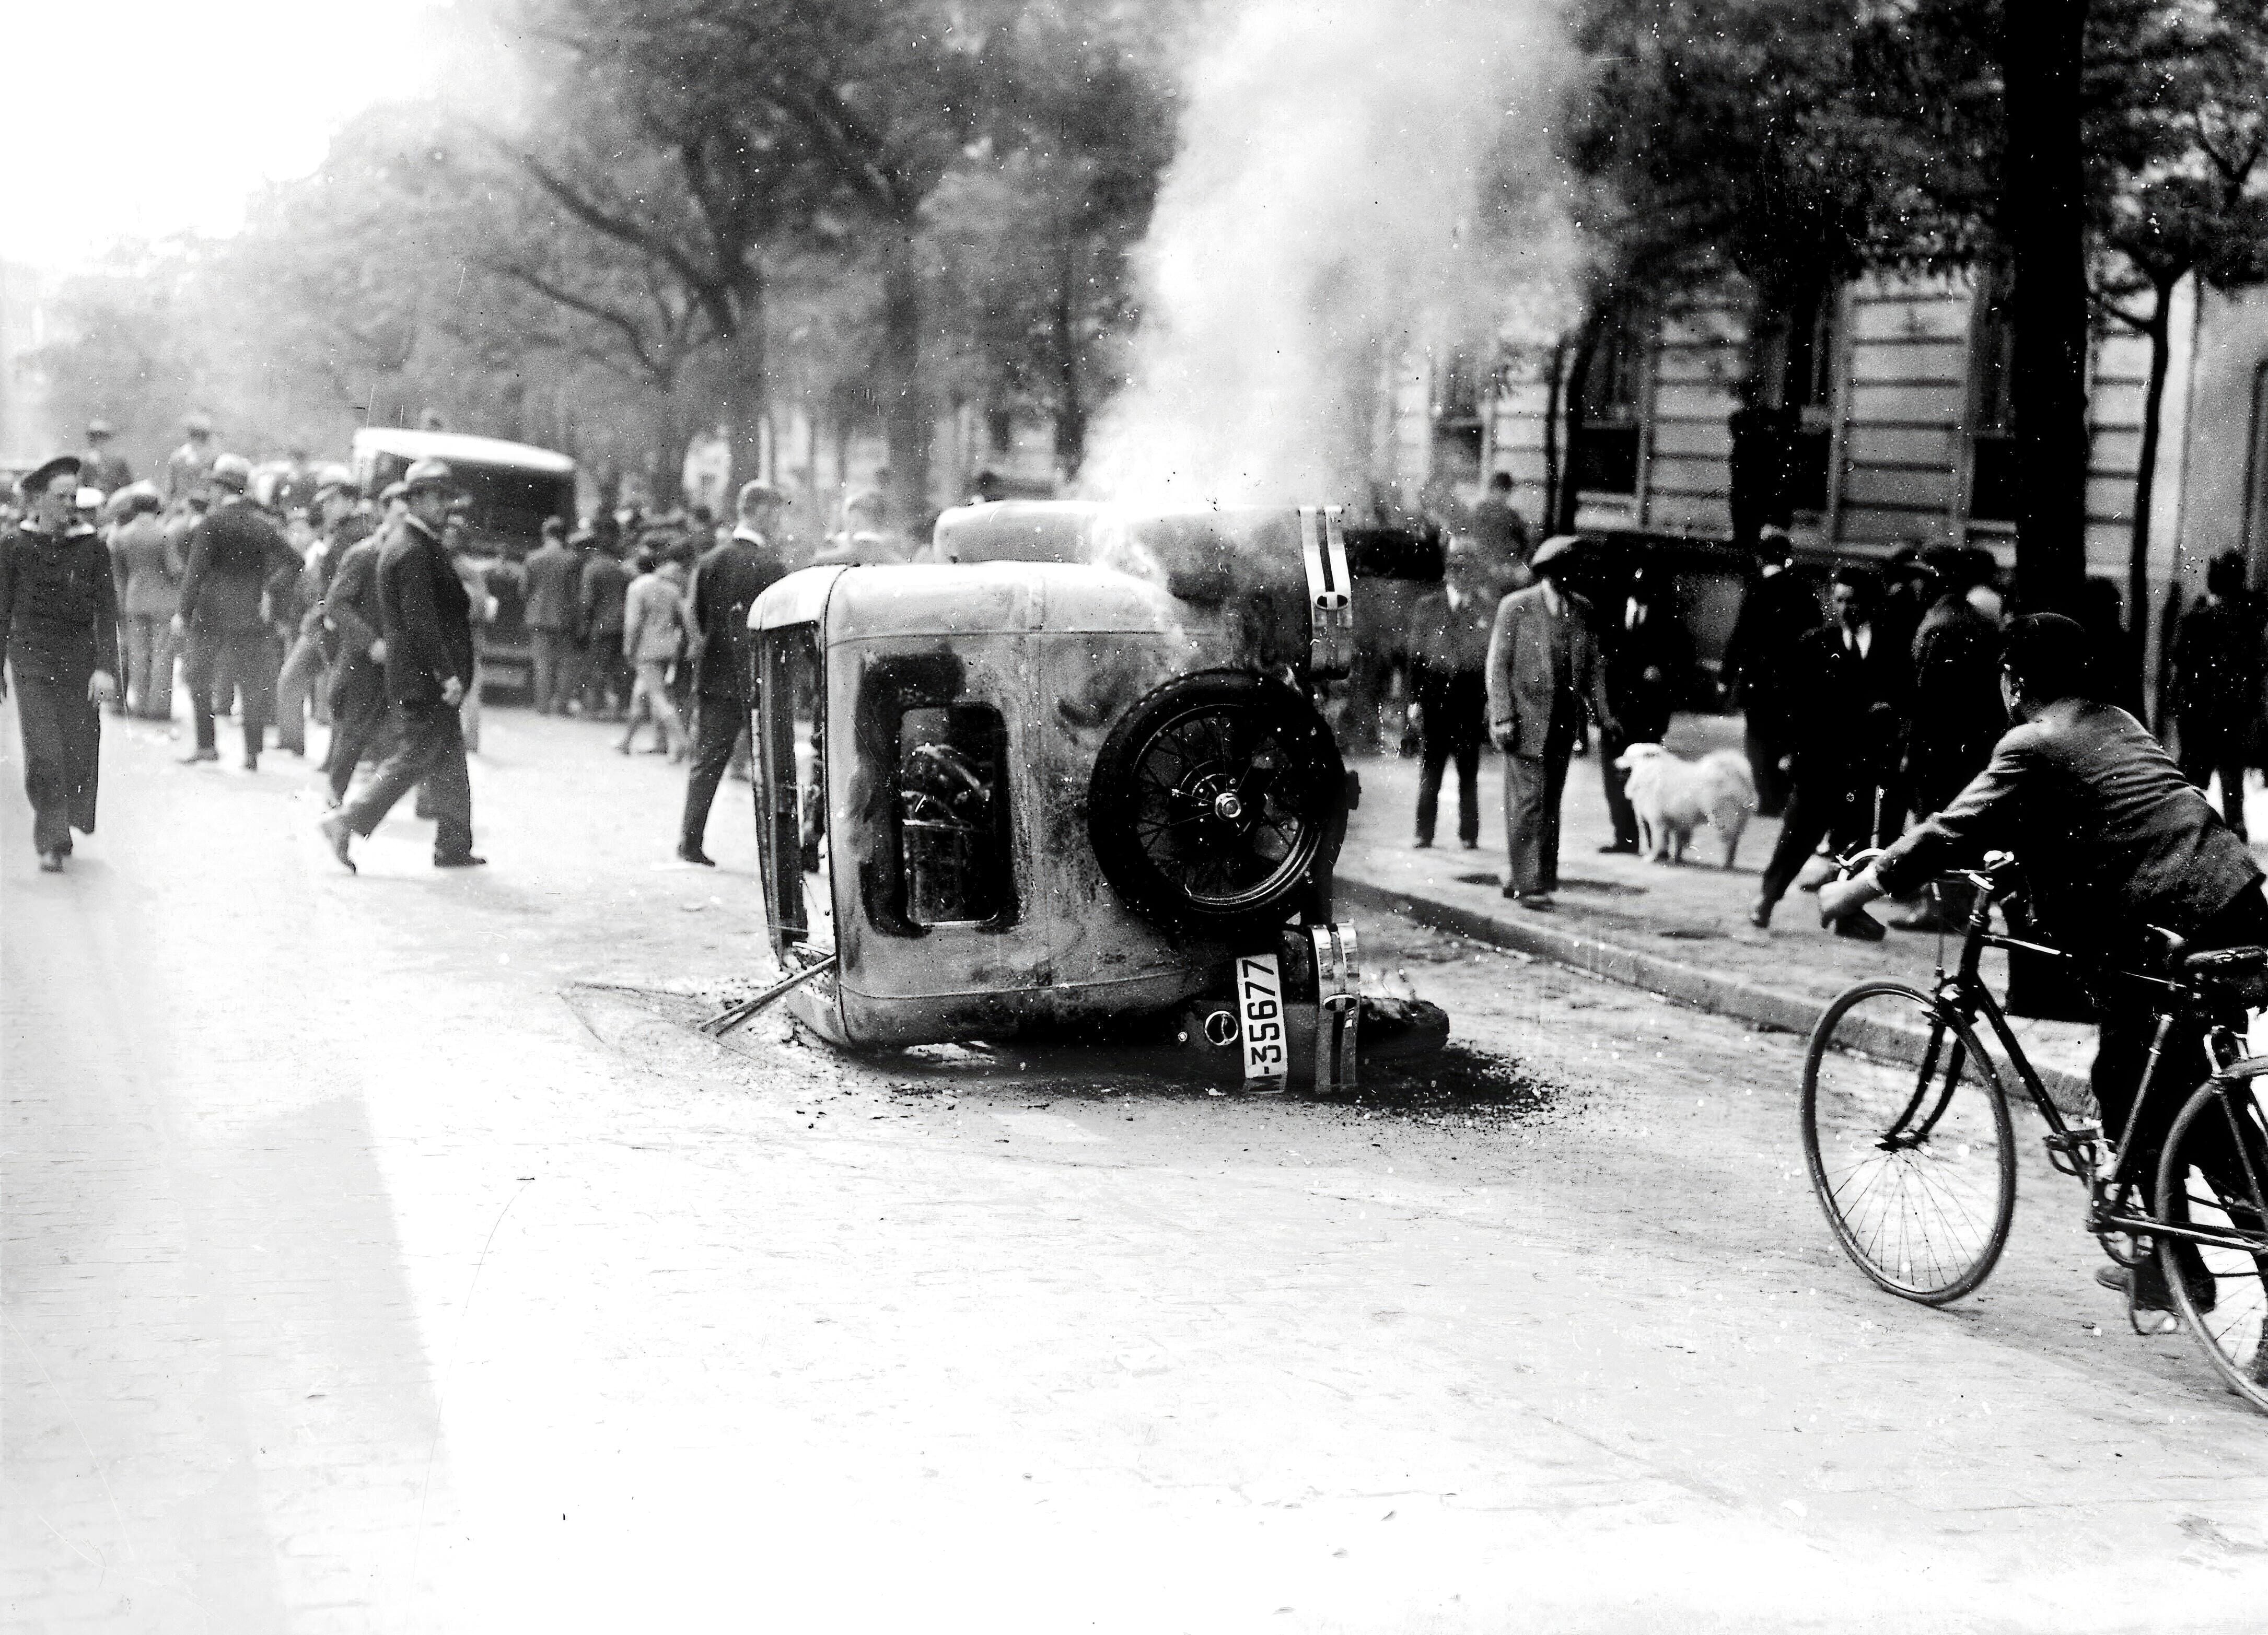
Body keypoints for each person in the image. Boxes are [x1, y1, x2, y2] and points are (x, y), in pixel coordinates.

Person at [1819, 614, 2266, 1312]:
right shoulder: (2112, 720)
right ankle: (2165, 1263)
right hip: (2232, 895)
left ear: (2013, 682)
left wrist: (1854, 886)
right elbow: (2120, 812)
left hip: (2174, 917)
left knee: (2146, 1089)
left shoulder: (2031, 742)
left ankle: (2177, 1267)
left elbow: (1950, 829)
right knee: (2162, 1083)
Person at [318, 460, 482, 871]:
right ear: (417, 500)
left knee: (448, 759)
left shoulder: (417, 543)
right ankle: (347, 821)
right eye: (439, 498)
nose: (447, 506)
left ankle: (453, 846)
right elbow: (421, 622)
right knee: (416, 756)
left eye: (448, 498)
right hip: (423, 679)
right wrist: (446, 675)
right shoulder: (412, 549)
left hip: (419, 676)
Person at [1750, 565, 1908, 933]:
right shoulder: (1815, 643)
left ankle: (1846, 914)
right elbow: (1793, 702)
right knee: (1797, 834)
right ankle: (1767, 898)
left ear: (1871, 603)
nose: (1844, 608)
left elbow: (1903, 696)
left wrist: (1889, 717)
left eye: (1852, 600)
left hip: (1865, 761)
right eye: (1838, 600)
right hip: (1819, 759)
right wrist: (1790, 749)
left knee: (1852, 842)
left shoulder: (1891, 644)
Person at [0, 457, 120, 871]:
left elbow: (107, 612)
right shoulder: (14, 546)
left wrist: (106, 668)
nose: (68, 505)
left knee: (78, 749)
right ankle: (51, 837)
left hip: (79, 661)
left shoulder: (93, 546)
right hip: (31, 659)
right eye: (60, 497)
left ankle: (65, 821)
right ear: (37, 499)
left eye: (73, 497)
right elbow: (2, 611)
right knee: (45, 753)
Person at [1485, 536, 1619, 909]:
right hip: (1522, 723)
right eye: (1566, 571)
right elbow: (1497, 666)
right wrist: (1502, 717)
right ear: (1549, 572)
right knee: (1528, 802)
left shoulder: (1582, 610)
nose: (1573, 578)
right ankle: (1530, 887)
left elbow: (1593, 667)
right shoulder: (1515, 607)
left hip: (1562, 724)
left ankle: (1526, 875)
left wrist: (1603, 715)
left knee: (1549, 802)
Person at [680, 480, 792, 863]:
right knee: (772, 766)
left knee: (708, 762)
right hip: (760, 680)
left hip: (714, 677)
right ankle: (777, 854)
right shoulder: (772, 567)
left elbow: (695, 619)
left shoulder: (709, 561)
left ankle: (689, 843)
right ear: (761, 511)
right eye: (776, 512)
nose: (778, 521)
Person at [1895, 543, 2006, 930]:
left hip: (1938, 745)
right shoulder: (1972, 620)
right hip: (1969, 744)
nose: (1916, 586)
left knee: (1934, 819)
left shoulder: (1941, 625)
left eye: (1923, 578)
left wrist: (1910, 747)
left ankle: (1939, 907)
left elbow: (1925, 697)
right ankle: (1954, 905)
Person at [172, 454, 301, 770]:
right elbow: (295, 561)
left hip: (211, 614)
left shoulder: (211, 524)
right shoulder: (263, 525)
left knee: (198, 678)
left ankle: (206, 746)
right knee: (251, 685)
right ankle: (252, 753)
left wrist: (183, 613)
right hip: (252, 613)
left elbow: (195, 573)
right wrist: (271, 589)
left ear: (221, 488)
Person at [1405, 536, 1496, 850]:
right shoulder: (1428, 608)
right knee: (1431, 768)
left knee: (1468, 773)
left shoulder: (1485, 610)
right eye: (1456, 570)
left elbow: (1490, 661)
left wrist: (1489, 704)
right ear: (1447, 574)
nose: (1462, 578)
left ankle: (1469, 835)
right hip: (1434, 703)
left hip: (1470, 705)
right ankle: (1423, 833)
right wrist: (1414, 700)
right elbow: (1415, 658)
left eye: (1468, 571)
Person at [1598, 563, 1695, 854]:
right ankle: (1625, 839)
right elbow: (1599, 662)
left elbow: (1684, 664)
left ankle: (1657, 843)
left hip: (1648, 715)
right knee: (1615, 778)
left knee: (1651, 780)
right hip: (1615, 712)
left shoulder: (1669, 620)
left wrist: (1664, 672)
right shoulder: (1611, 616)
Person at [1720, 526, 1817, 817]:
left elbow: (1741, 636)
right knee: (1785, 736)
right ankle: (1781, 794)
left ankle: (1767, 796)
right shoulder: (1802, 588)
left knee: (1759, 738)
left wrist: (1727, 676)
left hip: (1759, 681)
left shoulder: (1757, 588)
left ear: (1760, 556)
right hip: (1791, 679)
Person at [2170, 550, 2265, 842]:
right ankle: (2234, 829)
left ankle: (2185, 826)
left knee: (2193, 773)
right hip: (2231, 708)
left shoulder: (2200, 616)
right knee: (2231, 776)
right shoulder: (2248, 620)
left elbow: (2180, 656)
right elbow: (2257, 665)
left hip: (2201, 708)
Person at [318, 483, 403, 806]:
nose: (404, 522)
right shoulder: (365, 554)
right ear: (383, 514)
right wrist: (370, 643)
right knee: (355, 728)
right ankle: (335, 796)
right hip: (366, 659)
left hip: (403, 658)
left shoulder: (412, 558)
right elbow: (337, 604)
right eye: (399, 514)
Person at [107, 487, 178, 720]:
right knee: (162, 655)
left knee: (138, 654)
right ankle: (158, 707)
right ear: (156, 507)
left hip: (133, 599)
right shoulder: (164, 534)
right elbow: (174, 569)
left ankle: (140, 703)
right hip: (162, 600)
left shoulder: (121, 536)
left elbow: (119, 574)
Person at [618, 550, 692, 758]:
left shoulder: (637, 588)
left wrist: (628, 649)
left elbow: (633, 624)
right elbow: (684, 620)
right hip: (669, 649)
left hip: (646, 649)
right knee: (642, 692)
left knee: (658, 697)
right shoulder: (672, 589)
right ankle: (628, 742)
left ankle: (682, 741)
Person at [522, 516, 583, 714]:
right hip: (564, 618)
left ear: (545, 534)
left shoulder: (532, 558)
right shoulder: (572, 560)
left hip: (538, 617)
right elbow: (576, 593)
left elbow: (524, 590)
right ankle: (562, 706)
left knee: (542, 663)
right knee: (565, 664)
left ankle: (542, 707)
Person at [577, 539, 633, 717]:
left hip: (601, 624)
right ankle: (620, 709)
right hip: (621, 623)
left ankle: (594, 708)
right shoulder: (622, 570)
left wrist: (583, 625)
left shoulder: (592, 568)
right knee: (619, 668)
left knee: (597, 665)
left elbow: (587, 600)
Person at [1467, 471, 1530, 579]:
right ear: (1492, 490)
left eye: (1506, 491)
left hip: (1507, 567)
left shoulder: (1512, 515)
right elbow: (1475, 541)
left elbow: (1523, 543)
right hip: (1485, 566)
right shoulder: (1481, 512)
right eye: (1499, 490)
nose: (1502, 495)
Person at [165, 414, 218, 502]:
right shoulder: (212, 457)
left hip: (182, 504)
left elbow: (171, 488)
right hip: (201, 504)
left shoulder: (177, 456)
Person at [80, 420, 132, 495]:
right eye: (95, 438)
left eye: (103, 438)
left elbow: (127, 485)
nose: (99, 441)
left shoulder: (118, 461)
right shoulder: (85, 461)